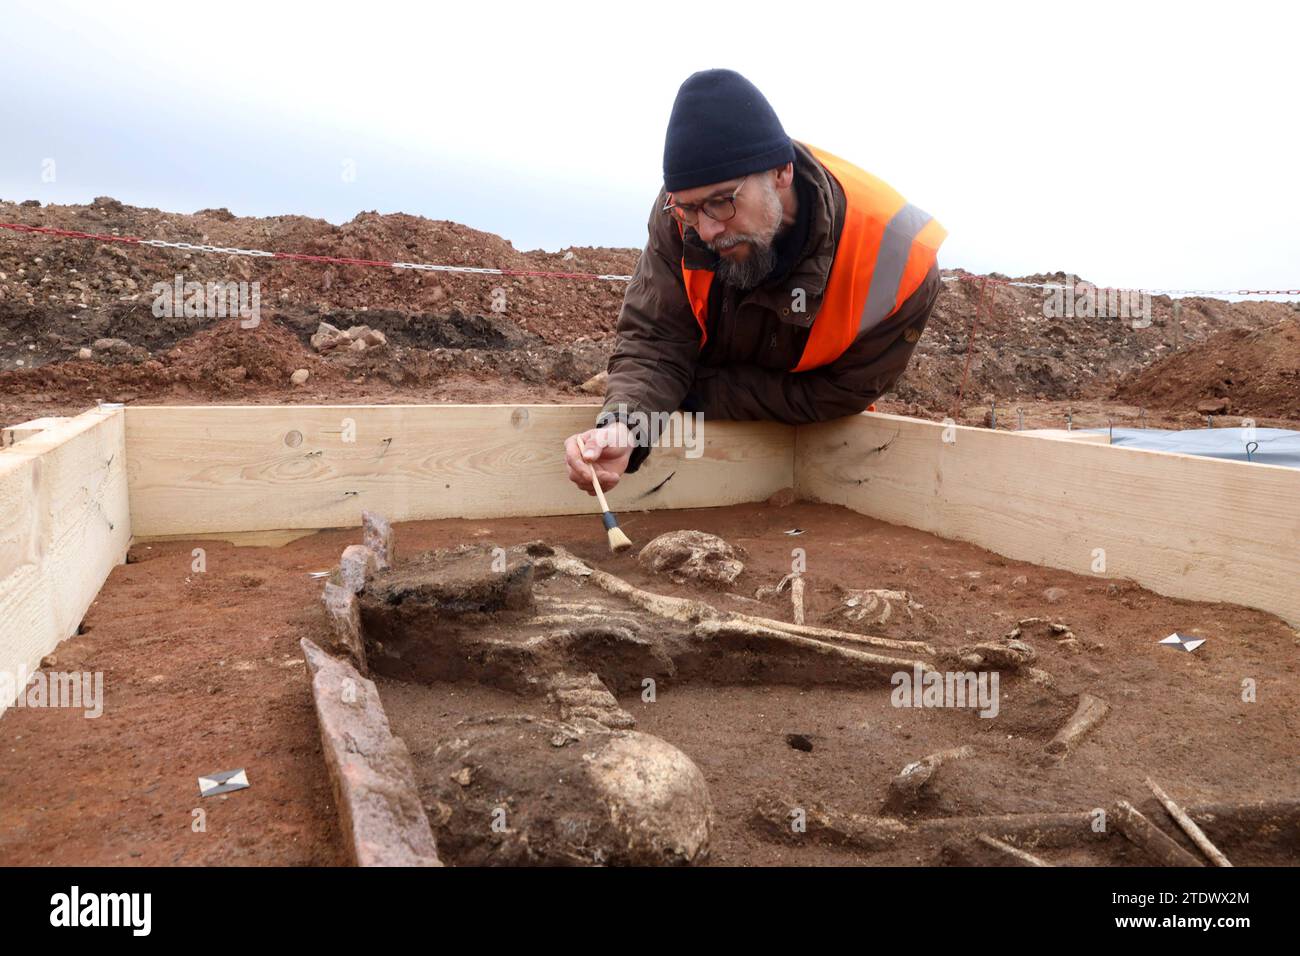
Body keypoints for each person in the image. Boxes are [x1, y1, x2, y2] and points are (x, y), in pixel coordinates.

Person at [565, 68, 945, 495]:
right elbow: (656, 337)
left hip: (825, 444)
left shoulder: (898, 257)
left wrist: (691, 390)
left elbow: (841, 392)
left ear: (781, 172)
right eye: (689, 209)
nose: (705, 229)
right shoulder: (682, 217)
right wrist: (629, 424)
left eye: (722, 203)